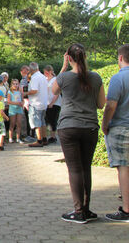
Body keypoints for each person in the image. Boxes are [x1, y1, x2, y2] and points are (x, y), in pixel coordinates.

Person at [52, 43, 105, 224]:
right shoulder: (96, 78)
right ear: (85, 56)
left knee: (74, 169)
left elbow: (53, 91)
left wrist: (64, 67)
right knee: (85, 168)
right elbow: (101, 104)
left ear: (69, 57)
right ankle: (87, 209)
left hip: (68, 127)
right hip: (89, 127)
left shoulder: (64, 77)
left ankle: (78, 211)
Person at [101, 44, 129, 222]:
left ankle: (126, 209)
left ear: (120, 58)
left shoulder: (119, 78)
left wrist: (104, 124)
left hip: (121, 127)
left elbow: (111, 105)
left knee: (124, 167)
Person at [24, 62, 49, 147]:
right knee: (42, 121)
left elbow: (34, 90)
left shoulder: (35, 78)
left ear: (31, 69)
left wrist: (25, 93)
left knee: (37, 121)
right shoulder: (43, 77)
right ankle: (44, 139)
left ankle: (39, 140)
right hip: (43, 102)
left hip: (36, 103)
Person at [44, 65, 61, 144]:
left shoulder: (55, 79)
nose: (45, 74)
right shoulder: (45, 79)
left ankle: (53, 136)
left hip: (55, 102)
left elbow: (57, 92)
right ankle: (50, 136)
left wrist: (52, 103)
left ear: (50, 71)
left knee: (53, 119)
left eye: (46, 72)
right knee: (48, 119)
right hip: (46, 102)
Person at [7, 79, 24, 144]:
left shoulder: (20, 91)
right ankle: (10, 138)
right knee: (12, 123)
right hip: (12, 109)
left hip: (19, 109)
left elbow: (22, 99)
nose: (15, 85)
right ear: (11, 85)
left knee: (19, 123)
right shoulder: (10, 92)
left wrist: (22, 103)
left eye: (16, 84)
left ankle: (18, 138)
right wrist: (16, 103)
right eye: (14, 84)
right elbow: (8, 101)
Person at [19, 65, 33, 141]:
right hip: (25, 101)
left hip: (28, 100)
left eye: (27, 71)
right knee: (25, 118)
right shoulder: (23, 80)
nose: (26, 73)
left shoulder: (30, 79)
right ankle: (26, 134)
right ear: (21, 72)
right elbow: (21, 91)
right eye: (24, 71)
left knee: (28, 118)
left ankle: (28, 134)